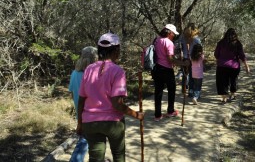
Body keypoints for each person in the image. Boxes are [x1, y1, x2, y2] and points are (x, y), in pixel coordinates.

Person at [76, 32, 144, 162]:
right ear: (116, 50)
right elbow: (117, 104)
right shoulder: (118, 71)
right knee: (118, 156)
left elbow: (81, 100)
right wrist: (136, 115)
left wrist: (80, 123)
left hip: (90, 123)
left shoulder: (89, 69)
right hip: (113, 122)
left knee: (96, 158)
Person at [152, 24, 189, 121]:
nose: (174, 35)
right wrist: (183, 63)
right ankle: (170, 111)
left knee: (158, 92)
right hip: (166, 69)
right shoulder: (169, 43)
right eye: (173, 33)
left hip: (157, 68)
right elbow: (170, 59)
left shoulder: (157, 40)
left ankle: (157, 115)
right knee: (171, 90)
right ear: (169, 32)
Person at [68, 46, 98, 162]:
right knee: (85, 142)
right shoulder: (94, 75)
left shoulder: (74, 73)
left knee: (87, 141)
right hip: (93, 115)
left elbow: (72, 93)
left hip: (80, 114)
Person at [214, 28, 250, 104]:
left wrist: (220, 58)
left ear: (226, 34)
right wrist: (246, 66)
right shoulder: (238, 43)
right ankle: (232, 94)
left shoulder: (221, 42)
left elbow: (216, 54)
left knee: (222, 82)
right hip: (234, 66)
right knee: (233, 80)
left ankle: (224, 98)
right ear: (235, 35)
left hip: (222, 66)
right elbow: (242, 56)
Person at [180, 23, 202, 97]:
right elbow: (199, 49)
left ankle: (184, 90)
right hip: (193, 58)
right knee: (193, 76)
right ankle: (191, 92)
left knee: (185, 75)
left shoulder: (183, 37)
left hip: (185, 58)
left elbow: (180, 47)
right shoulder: (196, 39)